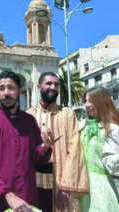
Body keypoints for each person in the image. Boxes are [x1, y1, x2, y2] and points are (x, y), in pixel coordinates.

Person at [0, 71, 53, 212]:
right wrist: (8, 195)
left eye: (11, 88)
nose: (6, 93)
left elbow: (37, 159)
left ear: (20, 91)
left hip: (26, 198)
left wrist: (45, 147)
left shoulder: (29, 121)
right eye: (1, 88)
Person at [27, 72, 89, 212]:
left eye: (56, 84)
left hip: (60, 183)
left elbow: (74, 150)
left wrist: (66, 187)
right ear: (39, 87)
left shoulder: (67, 114)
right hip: (33, 184)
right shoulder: (29, 115)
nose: (53, 87)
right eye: (48, 83)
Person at [78, 87, 119, 212]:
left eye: (91, 101)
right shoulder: (81, 126)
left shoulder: (113, 128)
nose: (87, 105)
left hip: (100, 189)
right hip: (79, 185)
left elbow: (110, 163)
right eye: (86, 101)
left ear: (101, 102)